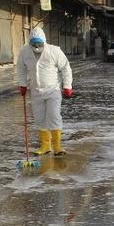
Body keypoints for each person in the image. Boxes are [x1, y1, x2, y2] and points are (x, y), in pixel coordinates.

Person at [18, 28, 74, 156]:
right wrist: (22, 84)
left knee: (53, 116)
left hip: (52, 90)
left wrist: (67, 85)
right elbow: (21, 68)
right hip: (36, 91)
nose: (37, 47)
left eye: (39, 44)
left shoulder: (54, 51)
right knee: (39, 118)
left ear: (44, 41)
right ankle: (45, 145)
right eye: (34, 44)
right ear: (30, 43)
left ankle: (57, 146)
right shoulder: (24, 52)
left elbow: (65, 68)